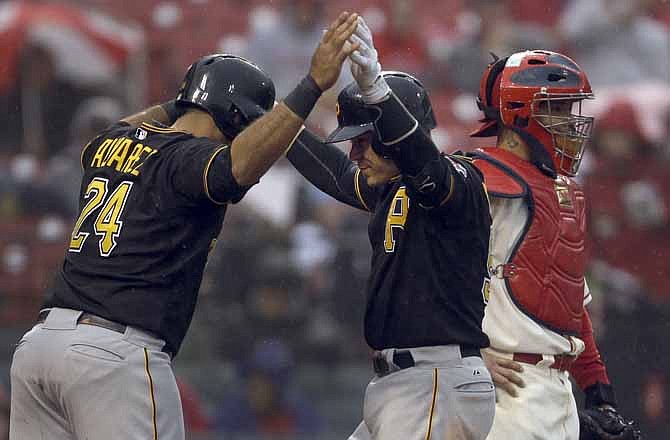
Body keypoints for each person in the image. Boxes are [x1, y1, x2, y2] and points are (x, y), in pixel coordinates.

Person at [8, 11, 360, 440]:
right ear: (236, 119)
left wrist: (190, 98)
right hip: (113, 356)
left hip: (39, 347)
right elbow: (239, 165)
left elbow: (129, 129)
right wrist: (312, 86)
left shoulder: (108, 144)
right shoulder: (187, 160)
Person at [286, 18, 495, 440]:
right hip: (406, 383)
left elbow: (426, 166)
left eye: (364, 138)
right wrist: (269, 120)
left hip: (436, 376)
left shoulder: (460, 179)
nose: (354, 149)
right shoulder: (390, 186)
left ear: (396, 133)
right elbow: (337, 174)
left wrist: (378, 93)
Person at [466, 50, 641, 440]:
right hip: (503, 388)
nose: (569, 122)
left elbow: (570, 302)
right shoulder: (477, 182)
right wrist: (463, 353)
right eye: (557, 108)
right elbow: (428, 277)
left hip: (558, 392)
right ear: (519, 112)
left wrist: (598, 390)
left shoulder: (566, 192)